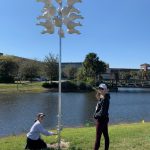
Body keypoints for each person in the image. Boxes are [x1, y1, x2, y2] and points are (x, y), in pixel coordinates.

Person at [93, 83, 110, 150]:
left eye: (102, 89)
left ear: (105, 90)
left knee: (98, 137)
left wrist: (95, 116)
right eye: (99, 88)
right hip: (104, 119)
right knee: (106, 135)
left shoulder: (105, 99)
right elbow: (99, 108)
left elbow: (102, 112)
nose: (100, 90)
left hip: (101, 120)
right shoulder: (102, 97)